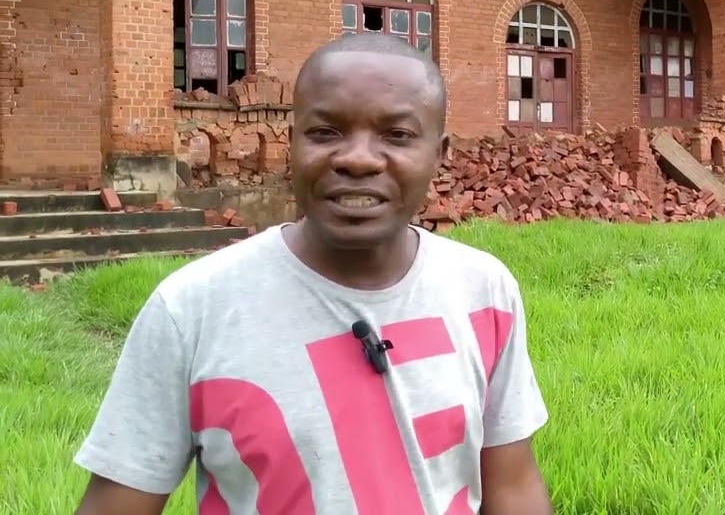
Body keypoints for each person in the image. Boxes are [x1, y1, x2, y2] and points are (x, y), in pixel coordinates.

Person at [73, 35, 552, 515]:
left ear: (440, 154)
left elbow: (512, 486)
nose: (358, 159)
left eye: (398, 135)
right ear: (290, 142)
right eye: (325, 132)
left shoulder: (484, 291)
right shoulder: (193, 308)